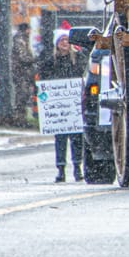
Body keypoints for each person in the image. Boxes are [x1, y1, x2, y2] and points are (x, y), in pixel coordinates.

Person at [38, 29, 87, 182]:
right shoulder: (50, 61)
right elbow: (43, 80)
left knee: (77, 138)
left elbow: (83, 74)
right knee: (60, 138)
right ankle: (60, 169)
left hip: (73, 105)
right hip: (58, 109)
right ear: (57, 44)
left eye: (67, 40)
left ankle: (77, 167)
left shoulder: (79, 58)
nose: (65, 43)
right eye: (61, 40)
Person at [11, 22, 37, 127]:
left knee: (24, 96)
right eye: (29, 29)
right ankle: (19, 119)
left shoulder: (23, 40)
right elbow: (23, 58)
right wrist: (34, 59)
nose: (30, 32)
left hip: (24, 73)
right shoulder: (20, 40)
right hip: (21, 74)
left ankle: (21, 119)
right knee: (21, 96)